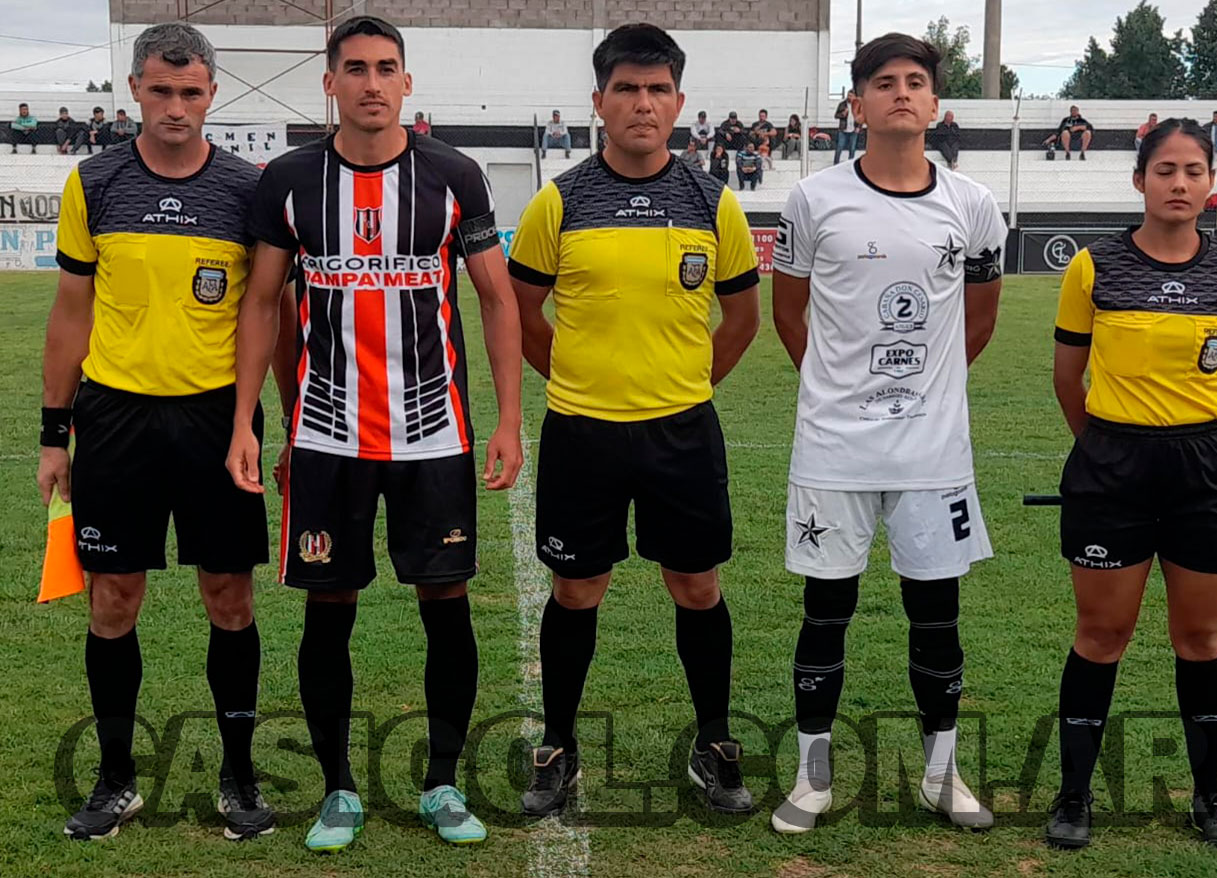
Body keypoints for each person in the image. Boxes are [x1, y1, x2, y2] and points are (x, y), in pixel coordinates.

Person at [226, 15, 524, 852]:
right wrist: (250, 421)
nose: (370, 83)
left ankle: (442, 783)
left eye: (385, 68)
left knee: (445, 602)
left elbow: (496, 299)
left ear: (406, 82)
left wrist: (508, 419)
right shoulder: (289, 180)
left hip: (433, 432)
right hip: (328, 435)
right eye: (354, 68)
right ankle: (338, 791)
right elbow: (263, 303)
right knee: (329, 607)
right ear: (330, 82)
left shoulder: (454, 175)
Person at [507, 23, 761, 818]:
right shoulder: (558, 202)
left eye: (656, 90)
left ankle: (713, 742)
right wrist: (575, 380)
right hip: (581, 432)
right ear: (599, 101)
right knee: (576, 588)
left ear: (679, 103)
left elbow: (742, 319)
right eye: (626, 89)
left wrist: (684, 385)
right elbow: (520, 312)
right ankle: (557, 747)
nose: (642, 104)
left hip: (681, 432)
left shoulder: (713, 203)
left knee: (697, 584)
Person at [39, 22, 274, 843]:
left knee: (229, 597)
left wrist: (257, 425)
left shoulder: (247, 189)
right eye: (162, 90)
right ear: (135, 88)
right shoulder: (93, 181)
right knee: (113, 599)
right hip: (115, 420)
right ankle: (115, 781)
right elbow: (71, 314)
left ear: (212, 94)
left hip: (215, 421)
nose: (176, 106)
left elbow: (264, 313)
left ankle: (239, 777)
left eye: (192, 92)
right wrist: (54, 434)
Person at [770, 32, 1006, 836]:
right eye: (882, 82)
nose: (899, 92)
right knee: (824, 611)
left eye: (913, 81)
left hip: (932, 454)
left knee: (935, 615)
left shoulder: (972, 204)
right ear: (858, 103)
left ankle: (941, 777)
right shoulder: (812, 200)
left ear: (934, 103)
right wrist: (837, 395)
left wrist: (925, 395)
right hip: (833, 449)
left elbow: (978, 321)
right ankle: (812, 780)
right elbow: (788, 313)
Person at [1047, 118, 1217, 853]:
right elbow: (1067, 379)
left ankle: (1210, 799)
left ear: (1212, 184)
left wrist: (1197, 446)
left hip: (1208, 470)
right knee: (1100, 634)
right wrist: (1110, 448)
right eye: (1164, 170)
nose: (1179, 183)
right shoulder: (1094, 267)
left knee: (1201, 638)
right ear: (1139, 180)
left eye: (1193, 170)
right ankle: (1073, 796)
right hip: (1112, 467)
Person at [834, 92, 856, 163]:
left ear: (854, 97)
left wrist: (859, 127)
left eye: (851, 96)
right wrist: (843, 114)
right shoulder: (842, 104)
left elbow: (860, 117)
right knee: (839, 147)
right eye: (848, 95)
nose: (849, 97)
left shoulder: (857, 105)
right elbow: (836, 115)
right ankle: (836, 163)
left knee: (852, 148)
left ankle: (850, 163)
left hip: (854, 130)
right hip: (843, 130)